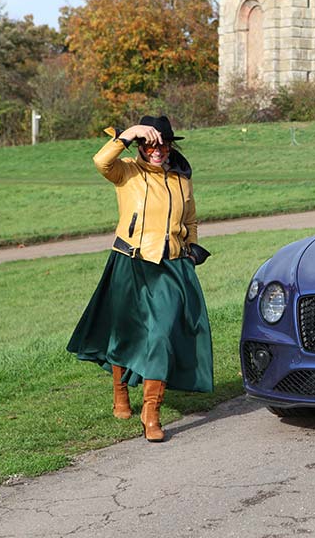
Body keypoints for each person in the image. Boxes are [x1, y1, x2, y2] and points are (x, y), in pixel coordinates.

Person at [67, 115, 213, 442]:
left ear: (170, 145)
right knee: (126, 332)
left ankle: (151, 411)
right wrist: (128, 133)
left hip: (171, 267)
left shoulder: (182, 179)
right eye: (150, 143)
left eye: (162, 143)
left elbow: (191, 219)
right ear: (141, 145)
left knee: (161, 334)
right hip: (129, 261)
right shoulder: (127, 171)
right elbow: (101, 160)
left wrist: (189, 248)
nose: (157, 149)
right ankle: (120, 391)